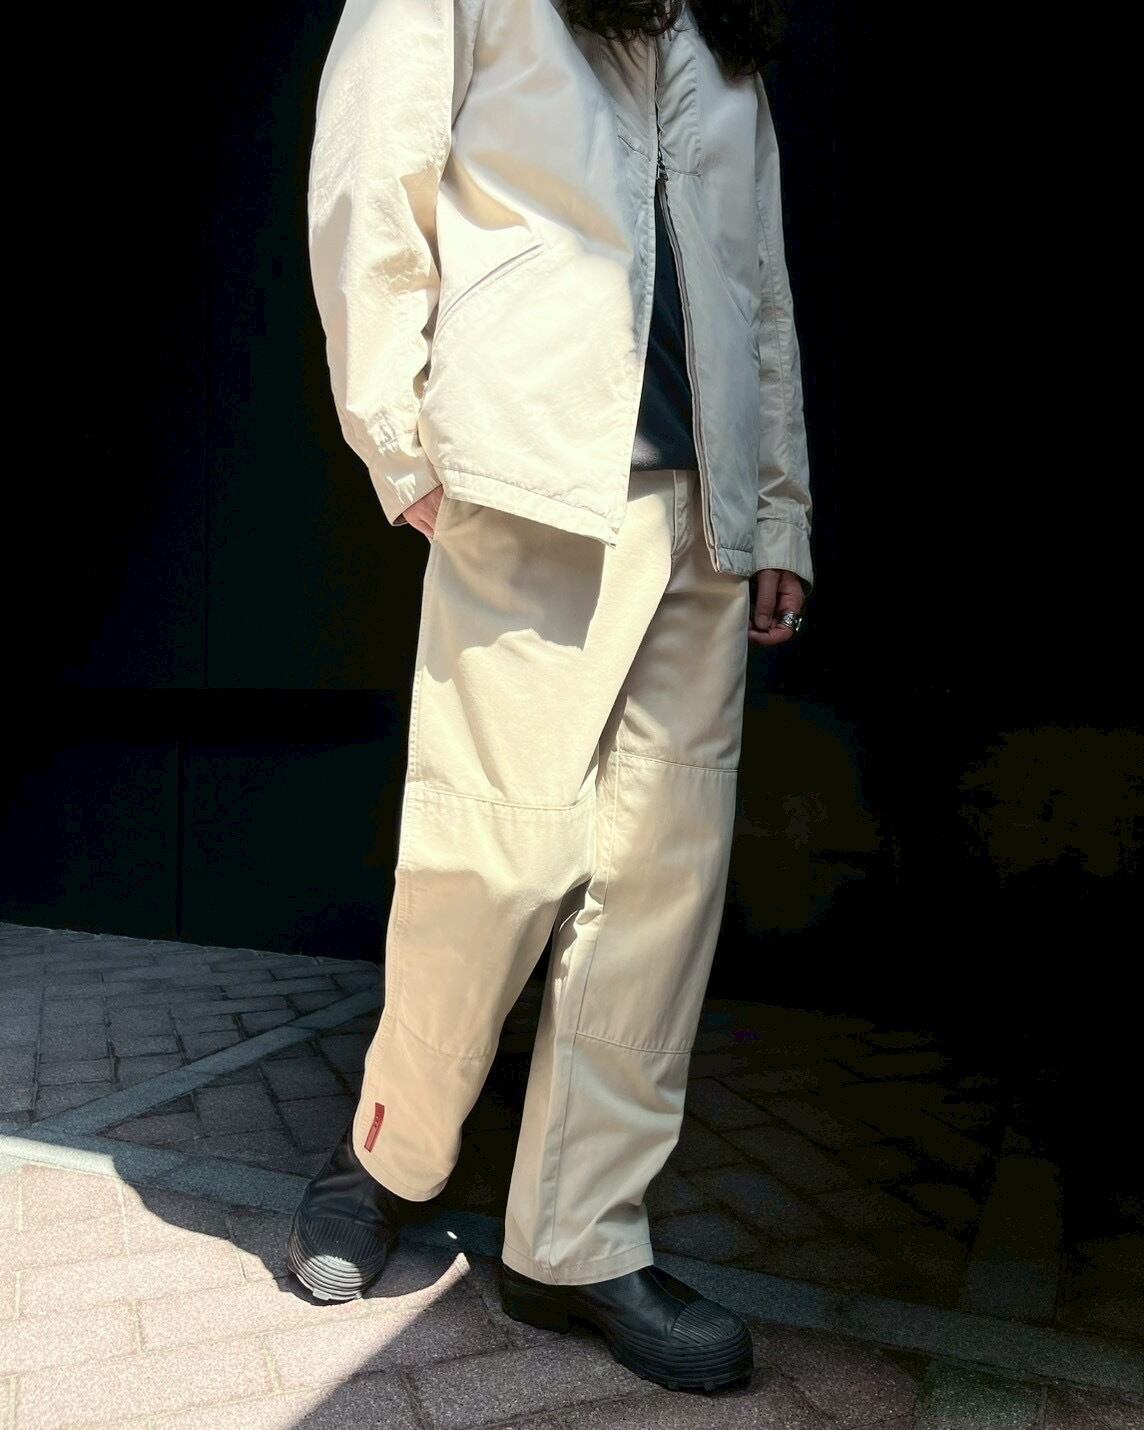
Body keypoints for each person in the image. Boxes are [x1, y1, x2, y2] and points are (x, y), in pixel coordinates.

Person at [288, 0, 814, 1395]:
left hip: (703, 510)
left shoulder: (724, 26)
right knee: (492, 858)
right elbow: (373, 170)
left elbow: (758, 280)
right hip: (527, 476)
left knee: (659, 891)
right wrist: (396, 432)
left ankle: (578, 1237)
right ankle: (391, 1154)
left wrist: (778, 509)